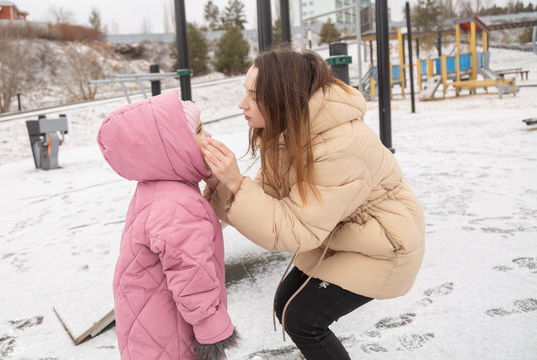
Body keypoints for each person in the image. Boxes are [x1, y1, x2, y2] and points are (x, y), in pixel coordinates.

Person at [201, 47, 425, 360]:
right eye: (244, 93)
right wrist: (219, 184)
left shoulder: (337, 147)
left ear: (281, 97)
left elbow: (294, 229)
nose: (242, 104)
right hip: (345, 233)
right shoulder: (290, 129)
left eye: (253, 96)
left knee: (303, 318)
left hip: (385, 244)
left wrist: (237, 183)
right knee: (286, 302)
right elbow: (269, 195)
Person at [97, 90, 239, 360]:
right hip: (173, 339)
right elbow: (191, 274)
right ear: (171, 148)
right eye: (198, 131)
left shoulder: (155, 188)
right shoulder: (178, 203)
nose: (208, 137)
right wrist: (212, 333)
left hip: (149, 329)